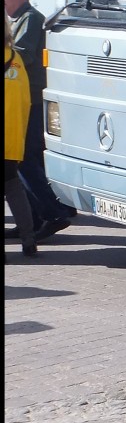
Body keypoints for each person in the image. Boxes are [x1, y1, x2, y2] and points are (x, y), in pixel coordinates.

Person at [4, 0, 75, 242]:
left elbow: (22, 54)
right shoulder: (18, 20)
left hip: (30, 100)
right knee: (20, 161)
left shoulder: (31, 19)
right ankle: (31, 221)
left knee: (25, 160)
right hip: (22, 100)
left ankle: (54, 213)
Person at [5, 15, 38, 257]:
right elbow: (26, 100)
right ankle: (28, 239)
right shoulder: (15, 59)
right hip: (13, 137)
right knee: (13, 188)